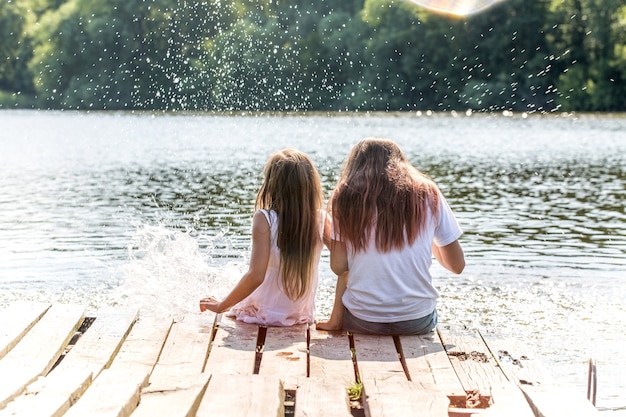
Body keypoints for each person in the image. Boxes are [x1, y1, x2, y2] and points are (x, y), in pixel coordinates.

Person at [316, 137, 465, 335]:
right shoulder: (428, 193)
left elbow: (339, 267)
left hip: (362, 319)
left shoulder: (344, 196)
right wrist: (430, 239)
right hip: (417, 321)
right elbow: (457, 266)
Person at [199, 149, 330, 326]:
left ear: (272, 184)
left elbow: (256, 275)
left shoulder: (265, 219)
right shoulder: (321, 219)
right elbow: (343, 265)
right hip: (300, 316)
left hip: (262, 314)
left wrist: (222, 305)